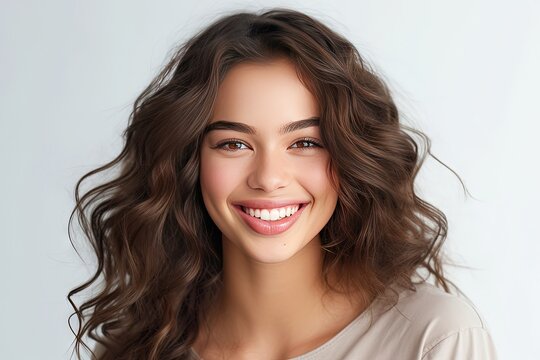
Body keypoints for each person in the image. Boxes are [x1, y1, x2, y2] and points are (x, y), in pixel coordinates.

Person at [68, 8, 497, 360]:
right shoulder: (136, 347)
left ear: (350, 156)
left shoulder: (436, 340)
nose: (268, 178)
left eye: (305, 142)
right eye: (234, 143)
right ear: (188, 160)